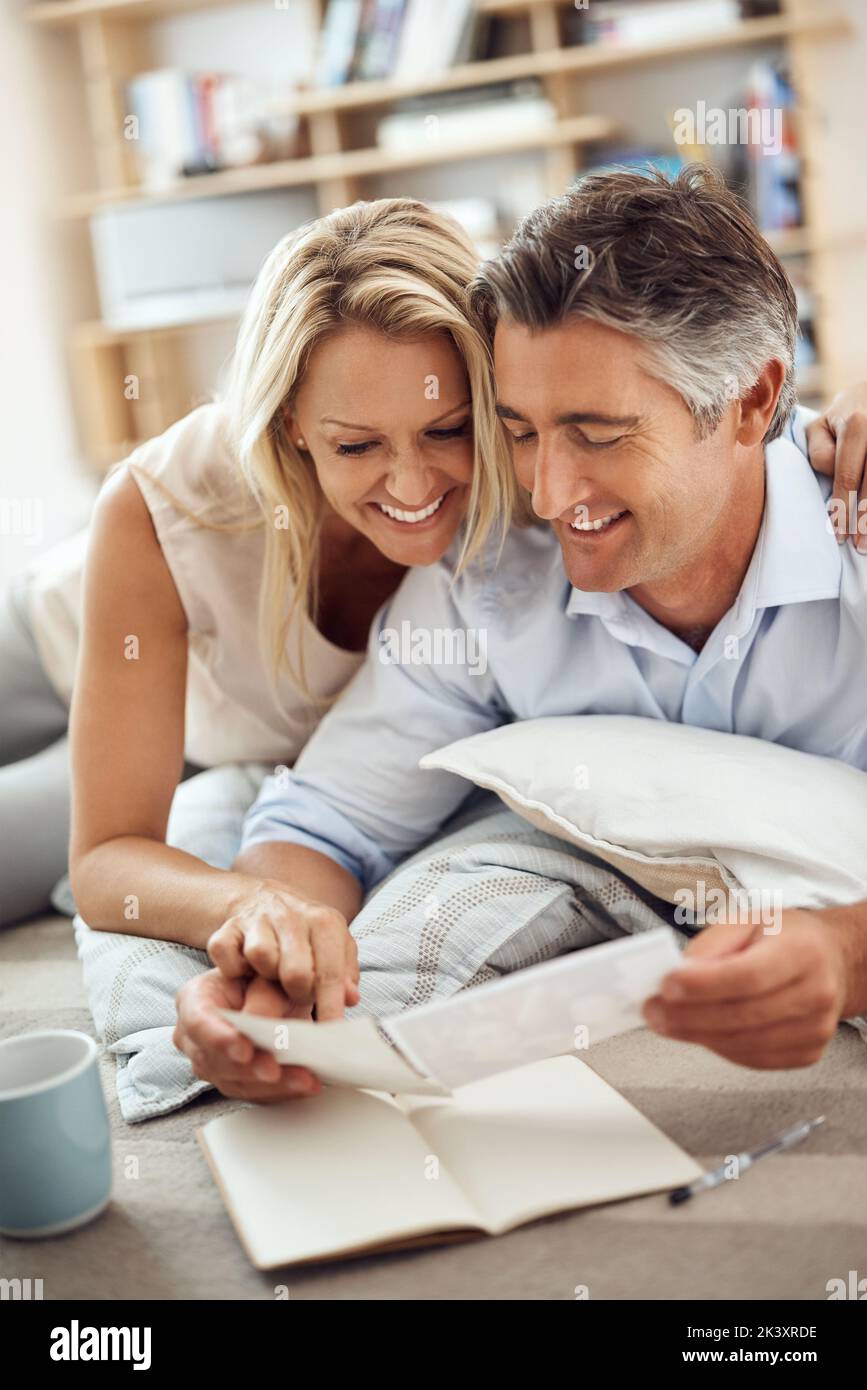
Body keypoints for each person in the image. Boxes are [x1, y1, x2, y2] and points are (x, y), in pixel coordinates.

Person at [173, 165, 867, 1092]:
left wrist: (841, 953)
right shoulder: (489, 581)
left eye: (596, 432)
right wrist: (275, 945)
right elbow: (329, 820)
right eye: (518, 431)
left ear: (749, 401)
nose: (547, 494)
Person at [0, 197, 514, 934]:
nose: (412, 485)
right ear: (289, 424)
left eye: (446, 429)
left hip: (202, 748)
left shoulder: (527, 489)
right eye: (355, 446)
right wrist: (253, 908)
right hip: (52, 646)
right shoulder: (166, 502)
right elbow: (107, 859)